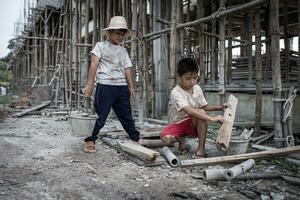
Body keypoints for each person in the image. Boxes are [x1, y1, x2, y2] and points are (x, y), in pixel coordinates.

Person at [83, 16, 143, 153]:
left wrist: (131, 87)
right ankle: (89, 139)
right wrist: (90, 85)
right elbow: (93, 65)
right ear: (109, 32)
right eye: (117, 33)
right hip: (105, 86)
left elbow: (127, 68)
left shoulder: (123, 51)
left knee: (126, 115)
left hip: (121, 87)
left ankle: (135, 137)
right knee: (101, 116)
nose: (120, 37)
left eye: (122, 34)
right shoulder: (100, 46)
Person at [160, 58, 229, 159]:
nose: (192, 82)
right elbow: (188, 110)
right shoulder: (176, 92)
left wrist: (220, 107)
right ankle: (182, 140)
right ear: (179, 77)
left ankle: (201, 150)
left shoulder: (197, 88)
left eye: (195, 78)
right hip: (179, 122)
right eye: (188, 79)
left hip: (194, 122)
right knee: (166, 138)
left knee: (201, 111)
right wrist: (212, 118)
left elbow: (203, 106)